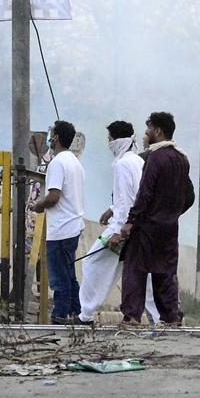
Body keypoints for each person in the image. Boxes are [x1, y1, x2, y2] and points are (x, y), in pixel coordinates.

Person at [109, 112, 194, 327]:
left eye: (148, 130)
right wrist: (172, 214)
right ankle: (170, 317)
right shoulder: (181, 159)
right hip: (169, 227)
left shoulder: (155, 158)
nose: (145, 134)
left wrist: (131, 220)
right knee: (165, 272)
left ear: (158, 131)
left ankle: (131, 316)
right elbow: (188, 195)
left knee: (135, 270)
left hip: (147, 226)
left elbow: (145, 193)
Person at [77, 121, 159, 326]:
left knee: (93, 263)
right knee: (145, 275)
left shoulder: (123, 165)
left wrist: (119, 230)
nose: (109, 144)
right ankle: (162, 317)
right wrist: (112, 209)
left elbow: (127, 200)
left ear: (116, 140)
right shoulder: (138, 161)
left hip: (123, 228)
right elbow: (136, 195)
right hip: (141, 226)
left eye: (110, 139)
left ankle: (85, 314)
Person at [28, 120, 85, 324]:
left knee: (59, 276)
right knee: (69, 275)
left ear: (57, 138)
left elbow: (53, 196)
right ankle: (78, 314)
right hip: (74, 226)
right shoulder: (76, 163)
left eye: (51, 135)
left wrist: (38, 205)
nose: (49, 139)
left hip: (60, 228)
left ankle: (60, 315)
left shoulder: (57, 163)